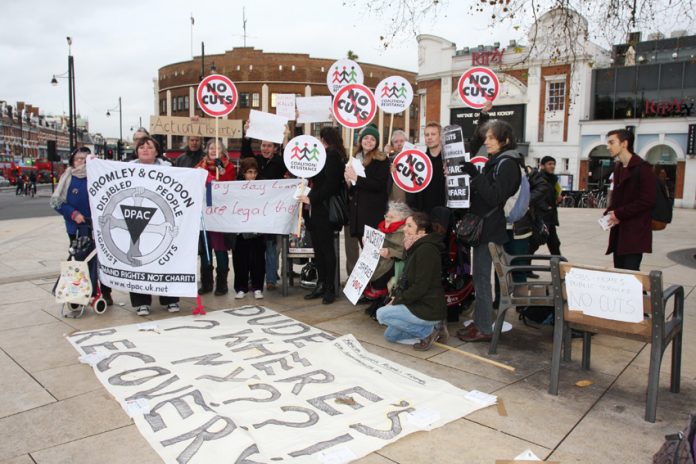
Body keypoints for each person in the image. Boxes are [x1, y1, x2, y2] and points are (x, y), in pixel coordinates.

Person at [457, 120, 521, 342]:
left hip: (491, 230)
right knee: (479, 279)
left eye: (492, 138)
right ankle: (480, 321)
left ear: (504, 140)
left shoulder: (508, 164)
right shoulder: (498, 161)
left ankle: (484, 328)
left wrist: (475, 175)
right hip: (485, 229)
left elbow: (495, 196)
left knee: (483, 279)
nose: (487, 141)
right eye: (486, 137)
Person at [375, 212, 448, 351]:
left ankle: (428, 332)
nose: (404, 229)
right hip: (417, 303)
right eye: (405, 225)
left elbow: (420, 287)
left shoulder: (426, 250)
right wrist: (396, 297)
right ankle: (429, 328)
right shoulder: (416, 247)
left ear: (421, 231)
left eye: (409, 226)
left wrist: (398, 300)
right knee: (390, 336)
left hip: (427, 307)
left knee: (382, 314)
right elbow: (406, 279)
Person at [50, 146, 112, 306]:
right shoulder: (68, 177)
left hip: (98, 226)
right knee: (78, 260)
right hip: (76, 227)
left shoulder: (98, 176)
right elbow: (57, 202)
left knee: (102, 260)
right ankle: (75, 295)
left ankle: (104, 292)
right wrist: (73, 214)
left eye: (86, 160)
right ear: (72, 161)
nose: (82, 162)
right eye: (79, 159)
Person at [129, 136, 180, 315]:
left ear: (157, 151)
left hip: (161, 219)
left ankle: (170, 299)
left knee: (165, 258)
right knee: (137, 259)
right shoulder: (126, 169)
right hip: (136, 219)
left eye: (149, 147)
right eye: (141, 147)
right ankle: (141, 302)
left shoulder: (170, 170)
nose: (144, 149)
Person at [299, 126, 346, 305]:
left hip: (323, 209)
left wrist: (312, 198)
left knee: (326, 250)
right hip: (315, 209)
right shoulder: (324, 155)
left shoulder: (332, 156)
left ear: (325, 139)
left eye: (320, 138)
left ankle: (329, 288)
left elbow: (331, 185)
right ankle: (321, 283)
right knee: (318, 249)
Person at [241, 121, 288, 290]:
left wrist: (286, 137)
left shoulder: (280, 162)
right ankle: (252, 278)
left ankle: (270, 280)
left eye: (269, 146)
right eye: (263, 145)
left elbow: (291, 160)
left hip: (272, 211)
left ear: (275, 148)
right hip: (254, 211)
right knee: (254, 246)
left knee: (270, 245)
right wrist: (246, 134)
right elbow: (245, 154)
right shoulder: (256, 161)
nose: (265, 148)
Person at [604, 129, 656, 271]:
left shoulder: (643, 169)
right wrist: (610, 212)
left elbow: (647, 200)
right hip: (619, 230)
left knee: (631, 273)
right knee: (620, 271)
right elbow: (619, 197)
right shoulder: (618, 167)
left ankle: (643, 293)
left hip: (635, 231)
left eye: (611, 142)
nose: (608, 146)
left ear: (624, 144)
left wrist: (619, 213)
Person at [196, 139, 237, 295]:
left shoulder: (228, 167)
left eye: (217, 148)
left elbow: (229, 185)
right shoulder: (200, 166)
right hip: (204, 216)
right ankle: (206, 283)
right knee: (205, 251)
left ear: (223, 150)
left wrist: (220, 175)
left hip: (220, 216)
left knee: (220, 250)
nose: (214, 150)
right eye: (211, 148)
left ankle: (222, 284)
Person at [363, 201, 411, 318]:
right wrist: (367, 241)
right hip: (380, 259)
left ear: (402, 218)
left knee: (381, 278)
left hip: (396, 261)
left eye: (392, 217)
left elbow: (404, 252)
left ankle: (382, 303)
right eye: (387, 216)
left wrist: (390, 252)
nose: (388, 219)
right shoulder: (382, 226)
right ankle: (378, 302)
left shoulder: (404, 230)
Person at [345, 124, 390, 243]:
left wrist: (357, 178)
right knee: (364, 250)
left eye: (372, 139)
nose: (368, 141)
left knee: (372, 252)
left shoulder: (382, 160)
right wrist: (349, 182)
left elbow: (379, 185)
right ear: (361, 140)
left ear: (376, 143)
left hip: (373, 213)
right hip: (358, 213)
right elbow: (353, 190)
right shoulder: (354, 158)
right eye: (366, 138)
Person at [233, 157, 266, 299]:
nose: (252, 175)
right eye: (249, 172)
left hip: (257, 230)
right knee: (240, 260)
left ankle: (257, 287)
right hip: (241, 231)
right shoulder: (235, 187)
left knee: (258, 260)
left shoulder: (263, 187)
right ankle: (241, 287)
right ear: (243, 173)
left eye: (254, 172)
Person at [406, 122, 446, 215]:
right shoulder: (419, 161)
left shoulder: (448, 161)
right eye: (427, 135)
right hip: (422, 214)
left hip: (443, 214)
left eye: (433, 134)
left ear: (440, 137)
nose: (429, 137)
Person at [528, 156, 562, 259]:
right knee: (535, 243)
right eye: (549, 164)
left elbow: (550, 197)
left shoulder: (553, 179)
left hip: (550, 217)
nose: (552, 166)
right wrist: (546, 207)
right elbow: (536, 196)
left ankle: (559, 268)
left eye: (553, 164)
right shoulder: (539, 179)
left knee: (554, 244)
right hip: (541, 217)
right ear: (542, 166)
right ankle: (525, 268)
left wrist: (557, 200)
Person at [384, 130, 408, 203]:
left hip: (411, 195)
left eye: (401, 141)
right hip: (394, 196)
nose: (399, 144)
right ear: (393, 144)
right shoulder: (390, 159)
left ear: (406, 142)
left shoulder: (415, 157)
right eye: (396, 142)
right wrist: (385, 154)